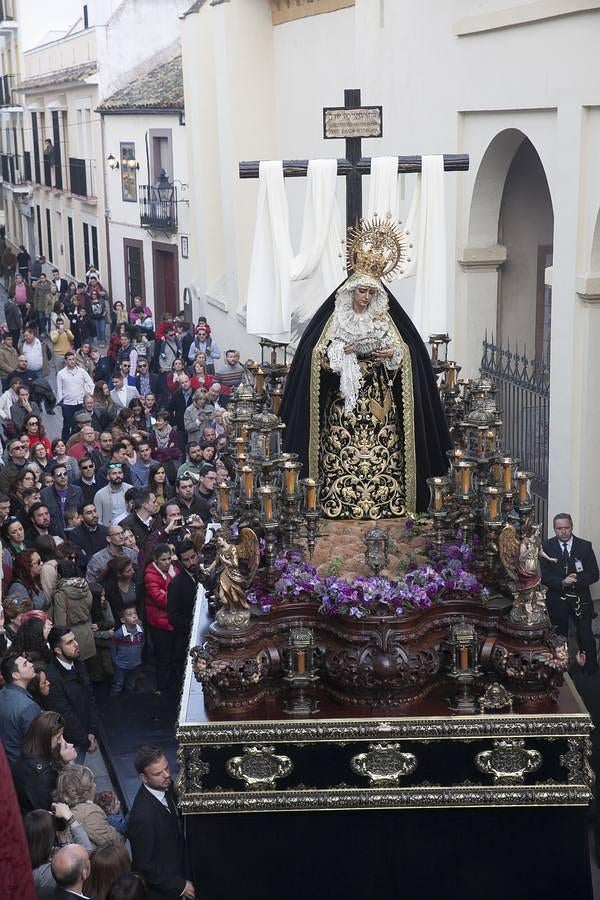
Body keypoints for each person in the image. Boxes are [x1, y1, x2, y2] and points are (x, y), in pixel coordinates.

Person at [280, 217, 451, 517]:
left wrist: (390, 355)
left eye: (371, 293)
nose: (366, 297)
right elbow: (314, 354)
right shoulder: (335, 318)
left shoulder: (384, 319)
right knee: (337, 454)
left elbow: (407, 354)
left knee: (384, 454)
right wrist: (338, 355)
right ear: (351, 291)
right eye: (361, 291)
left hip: (378, 404)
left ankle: (390, 502)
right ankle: (334, 502)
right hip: (341, 408)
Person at [128, 746, 194, 899]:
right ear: (144, 778)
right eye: (158, 773)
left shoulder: (167, 785)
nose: (167, 775)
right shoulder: (142, 816)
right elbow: (144, 865)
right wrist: (180, 886)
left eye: (167, 768)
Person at [540, 513, 600, 674]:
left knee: (585, 636)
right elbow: (543, 575)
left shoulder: (584, 546)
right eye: (559, 529)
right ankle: (561, 671)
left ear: (571, 527)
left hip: (581, 599)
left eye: (566, 528)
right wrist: (561, 582)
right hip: (557, 600)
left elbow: (594, 573)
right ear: (554, 529)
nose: (564, 531)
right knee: (559, 636)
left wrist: (576, 580)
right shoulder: (546, 547)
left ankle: (591, 670)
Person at [46, 627, 99, 762]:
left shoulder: (78, 663)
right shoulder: (52, 677)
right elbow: (64, 715)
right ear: (57, 650)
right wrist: (86, 740)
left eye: (74, 639)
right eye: (69, 642)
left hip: (86, 733)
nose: (76, 644)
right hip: (71, 743)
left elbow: (90, 697)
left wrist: (92, 730)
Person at [24, 806, 92, 899]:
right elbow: (84, 854)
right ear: (48, 837)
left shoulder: (25, 857)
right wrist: (70, 818)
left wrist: (62, 839)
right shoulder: (41, 874)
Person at [54, 764, 123, 850]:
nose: (95, 785)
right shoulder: (90, 813)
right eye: (92, 782)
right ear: (86, 793)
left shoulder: (61, 806)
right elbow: (114, 842)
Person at [11, 710, 66, 813]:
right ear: (45, 738)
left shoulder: (27, 753)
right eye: (58, 737)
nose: (61, 741)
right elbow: (46, 810)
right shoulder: (42, 774)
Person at [144, 544, 179, 694]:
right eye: (163, 560)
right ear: (156, 560)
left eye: (169, 559)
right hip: (159, 623)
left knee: (173, 656)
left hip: (171, 620)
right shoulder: (150, 575)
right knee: (163, 658)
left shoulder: (174, 570)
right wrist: (176, 597)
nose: (167, 562)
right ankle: (163, 688)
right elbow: (162, 600)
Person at [52, 560, 96, 665]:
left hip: (72, 637)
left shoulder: (60, 595)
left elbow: (60, 623)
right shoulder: (85, 587)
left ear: (59, 574)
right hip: (88, 633)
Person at [167, 540, 199, 682]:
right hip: (186, 638)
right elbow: (173, 617)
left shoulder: (204, 573)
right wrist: (194, 623)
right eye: (186, 560)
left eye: (193, 557)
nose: (191, 562)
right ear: (180, 562)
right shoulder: (176, 584)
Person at [0, 653, 40, 763]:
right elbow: (36, 746)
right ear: (16, 675)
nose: (31, 665)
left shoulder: (3, 694)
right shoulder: (28, 707)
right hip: (26, 767)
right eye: (25, 664)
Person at [56, 352, 95, 441]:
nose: (72, 361)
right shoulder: (61, 374)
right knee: (67, 425)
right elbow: (59, 389)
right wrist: (61, 402)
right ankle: (65, 442)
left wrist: (89, 395)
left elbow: (91, 384)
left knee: (80, 424)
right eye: (69, 360)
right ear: (65, 361)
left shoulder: (82, 371)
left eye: (73, 359)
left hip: (80, 403)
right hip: (67, 404)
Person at [41, 465, 84, 539]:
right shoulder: (45, 494)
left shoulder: (77, 491)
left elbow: (82, 513)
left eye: (65, 474)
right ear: (53, 478)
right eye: (59, 475)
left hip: (77, 534)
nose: (63, 477)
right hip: (55, 535)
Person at [111, 603, 144, 695]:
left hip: (135, 664)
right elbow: (114, 648)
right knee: (118, 684)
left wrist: (138, 658)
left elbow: (142, 644)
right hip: (121, 665)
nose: (134, 616)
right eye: (130, 615)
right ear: (122, 620)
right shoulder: (119, 634)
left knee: (131, 684)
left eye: (135, 613)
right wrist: (116, 661)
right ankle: (114, 703)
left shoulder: (141, 630)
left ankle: (129, 701)